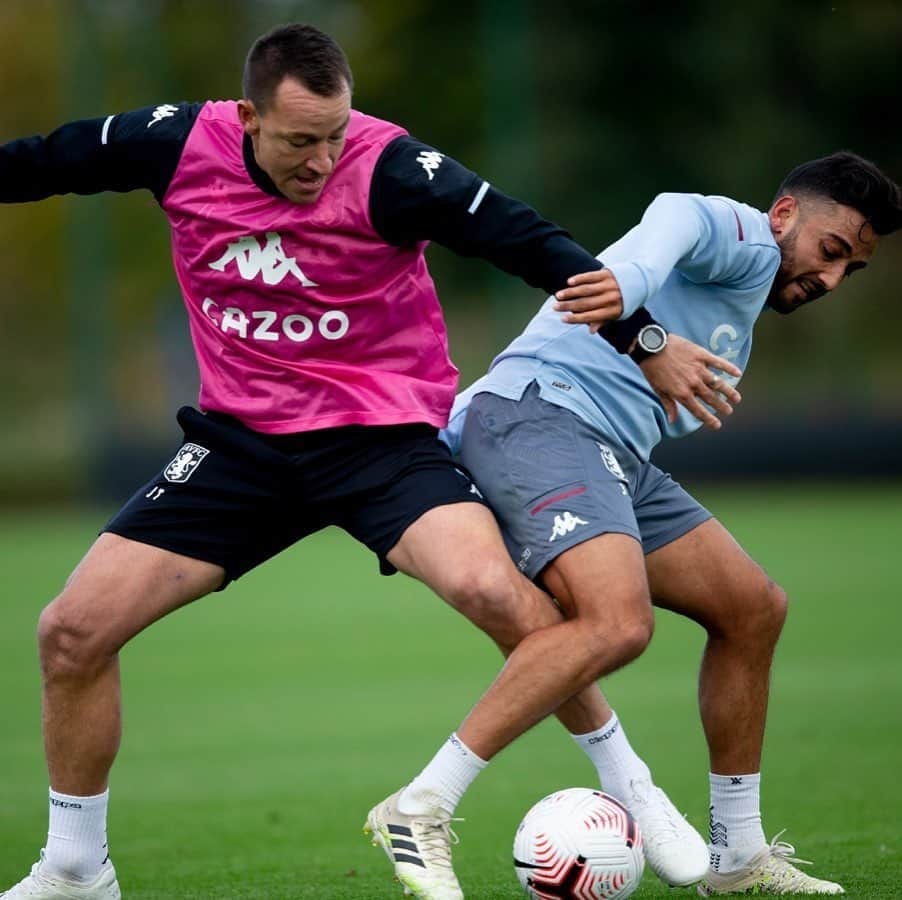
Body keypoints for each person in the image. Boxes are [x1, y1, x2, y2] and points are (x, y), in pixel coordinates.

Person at [0, 22, 708, 900]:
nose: (323, 159)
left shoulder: (394, 169)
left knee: (497, 594)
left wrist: (644, 339)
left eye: (334, 134)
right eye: (301, 140)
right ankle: (74, 869)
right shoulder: (174, 144)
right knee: (70, 632)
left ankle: (630, 785)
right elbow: (37, 162)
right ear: (248, 117)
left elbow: (535, 244)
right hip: (241, 449)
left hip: (382, 442)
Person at [434, 151, 902, 896]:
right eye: (832, 251)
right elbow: (677, 211)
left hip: (608, 451)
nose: (833, 279)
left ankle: (738, 855)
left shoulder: (742, 309)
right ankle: (427, 804)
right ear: (785, 216)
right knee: (618, 623)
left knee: (753, 609)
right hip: (538, 415)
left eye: (853, 269)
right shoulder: (749, 242)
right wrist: (633, 294)